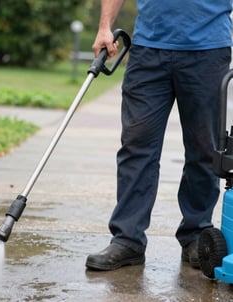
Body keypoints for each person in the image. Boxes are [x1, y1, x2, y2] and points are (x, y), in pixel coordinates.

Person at [86, 0, 233, 271]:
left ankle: (197, 235)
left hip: (208, 50)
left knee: (204, 149)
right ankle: (127, 239)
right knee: (136, 145)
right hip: (148, 50)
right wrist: (104, 26)